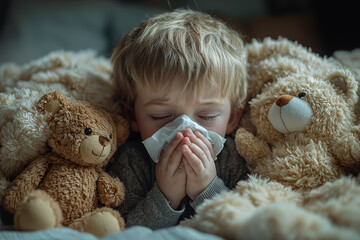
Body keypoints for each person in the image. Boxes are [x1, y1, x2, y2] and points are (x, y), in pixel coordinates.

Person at [107, 8, 249, 229]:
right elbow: (121, 229)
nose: (185, 131)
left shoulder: (235, 159)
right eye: (160, 116)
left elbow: (246, 224)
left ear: (233, 118)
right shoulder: (132, 162)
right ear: (131, 115)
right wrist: (165, 196)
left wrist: (208, 190)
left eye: (207, 115)